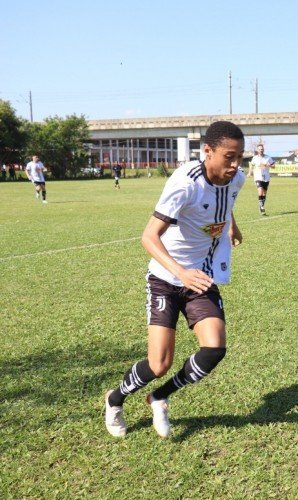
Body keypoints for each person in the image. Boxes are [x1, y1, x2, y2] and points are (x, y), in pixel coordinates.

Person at [103, 121, 246, 438]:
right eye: (229, 157)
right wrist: (181, 272)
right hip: (167, 278)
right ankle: (115, 399)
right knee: (158, 364)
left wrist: (231, 225)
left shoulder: (237, 179)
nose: (235, 166)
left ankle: (160, 396)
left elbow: (228, 201)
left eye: (240, 158)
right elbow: (149, 237)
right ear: (207, 151)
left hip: (201, 277)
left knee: (214, 348)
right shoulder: (185, 183)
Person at [247, 144, 275, 215]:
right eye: (259, 149)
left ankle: (261, 205)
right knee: (260, 192)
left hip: (266, 177)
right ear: (257, 150)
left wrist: (269, 165)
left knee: (264, 193)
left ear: (263, 150)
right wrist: (250, 173)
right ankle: (262, 207)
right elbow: (251, 165)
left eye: (262, 149)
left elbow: (274, 166)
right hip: (258, 177)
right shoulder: (255, 158)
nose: (261, 150)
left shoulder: (268, 157)